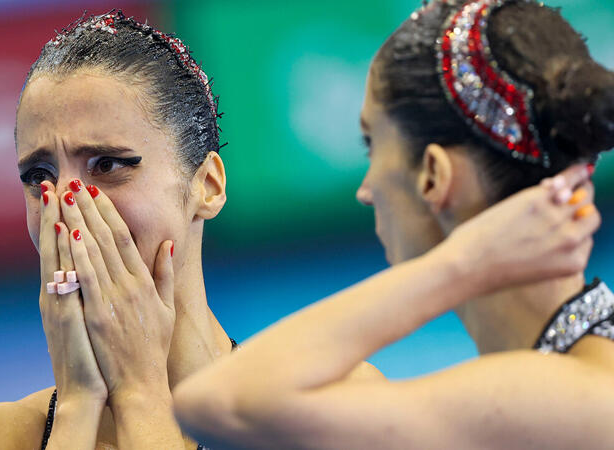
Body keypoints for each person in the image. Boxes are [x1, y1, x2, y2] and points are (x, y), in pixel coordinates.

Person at [173, 1, 614, 448]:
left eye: (372, 144)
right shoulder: (570, 375)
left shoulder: (555, 398)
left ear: (433, 176)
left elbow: (217, 402)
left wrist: (461, 263)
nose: (365, 189)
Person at [0, 10, 239, 449]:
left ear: (207, 186)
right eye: (40, 176)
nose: (68, 208)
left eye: (107, 165)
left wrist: (140, 393)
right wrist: (78, 405)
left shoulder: (326, 414)